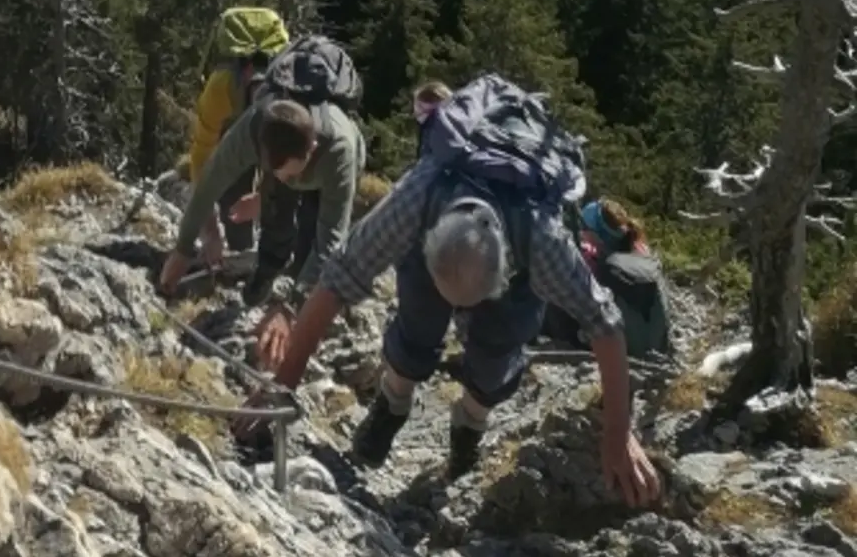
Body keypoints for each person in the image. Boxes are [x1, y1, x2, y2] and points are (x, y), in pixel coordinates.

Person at [230, 74, 662, 508]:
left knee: (497, 352)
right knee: (417, 322)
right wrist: (280, 388)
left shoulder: (541, 237)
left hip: (513, 266)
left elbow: (605, 323)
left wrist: (618, 433)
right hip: (438, 249)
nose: (458, 315)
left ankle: (470, 424)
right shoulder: (417, 198)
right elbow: (338, 279)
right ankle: (393, 403)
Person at [161, 34, 366, 322]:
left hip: (328, 174)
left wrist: (292, 308)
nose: (285, 178)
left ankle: (307, 302)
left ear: (311, 149)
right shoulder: (253, 127)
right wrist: (182, 249)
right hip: (290, 157)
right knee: (275, 216)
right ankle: (265, 274)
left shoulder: (339, 151)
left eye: (291, 172)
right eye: (275, 170)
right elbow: (209, 184)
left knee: (310, 242)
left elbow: (331, 239)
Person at [185, 8, 291, 271]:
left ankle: (267, 257)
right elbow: (201, 159)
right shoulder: (220, 88)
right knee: (233, 189)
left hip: (282, 134)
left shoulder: (292, 92)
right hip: (233, 132)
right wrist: (210, 230)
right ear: (245, 75)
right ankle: (237, 253)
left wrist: (264, 195)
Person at [544, 198, 673, 359]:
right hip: (654, 340)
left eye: (585, 228)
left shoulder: (595, 259)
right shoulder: (641, 250)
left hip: (615, 341)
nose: (582, 233)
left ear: (596, 234)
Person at [413, 81, 453, 158]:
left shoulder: (436, 128)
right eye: (416, 105)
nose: (416, 110)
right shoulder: (427, 126)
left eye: (420, 105)